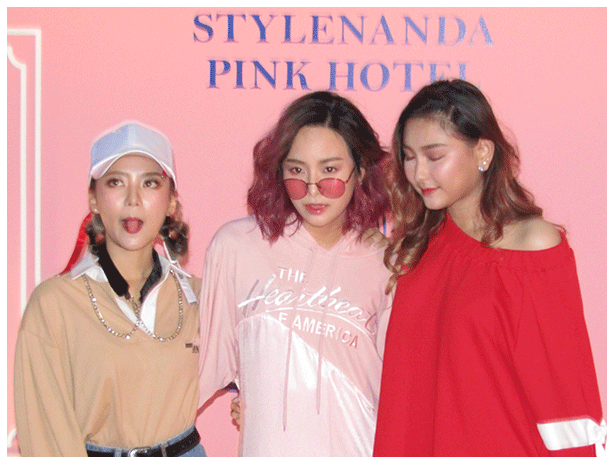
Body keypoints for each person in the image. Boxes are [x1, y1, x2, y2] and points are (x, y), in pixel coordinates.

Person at [373, 79, 606, 456]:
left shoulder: (533, 246)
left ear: (482, 151)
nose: (418, 174)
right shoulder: (416, 250)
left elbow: (563, 394)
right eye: (409, 157)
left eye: (434, 156)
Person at [198, 91, 392, 456]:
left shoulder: (387, 264)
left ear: (361, 170)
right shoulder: (236, 247)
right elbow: (201, 370)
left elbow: (400, 393)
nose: (313, 188)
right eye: (297, 171)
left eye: (330, 171)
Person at [14, 122, 205, 457]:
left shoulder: (200, 298)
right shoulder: (55, 304)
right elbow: (46, 435)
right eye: (116, 182)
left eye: (150, 183)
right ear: (94, 199)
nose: (133, 200)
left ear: (172, 202)